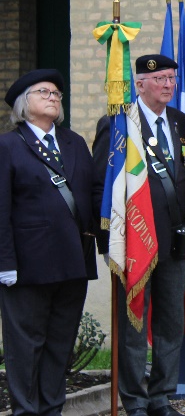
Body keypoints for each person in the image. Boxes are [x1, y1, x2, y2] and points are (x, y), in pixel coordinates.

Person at [93, 54, 185, 416]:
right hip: (135, 240)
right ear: (139, 84)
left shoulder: (181, 122)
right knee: (134, 324)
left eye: (171, 78)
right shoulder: (119, 124)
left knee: (171, 322)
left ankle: (161, 397)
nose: (168, 85)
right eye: (160, 79)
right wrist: (108, 240)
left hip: (176, 240)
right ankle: (134, 400)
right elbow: (101, 184)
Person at [0, 69, 100, 416]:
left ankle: (52, 409)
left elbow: (92, 194)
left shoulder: (74, 142)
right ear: (23, 103)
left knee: (60, 343)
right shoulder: (8, 146)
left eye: (57, 93)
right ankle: (26, 411)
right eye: (44, 92)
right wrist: (5, 262)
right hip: (28, 265)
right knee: (26, 345)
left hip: (73, 260)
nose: (53, 97)